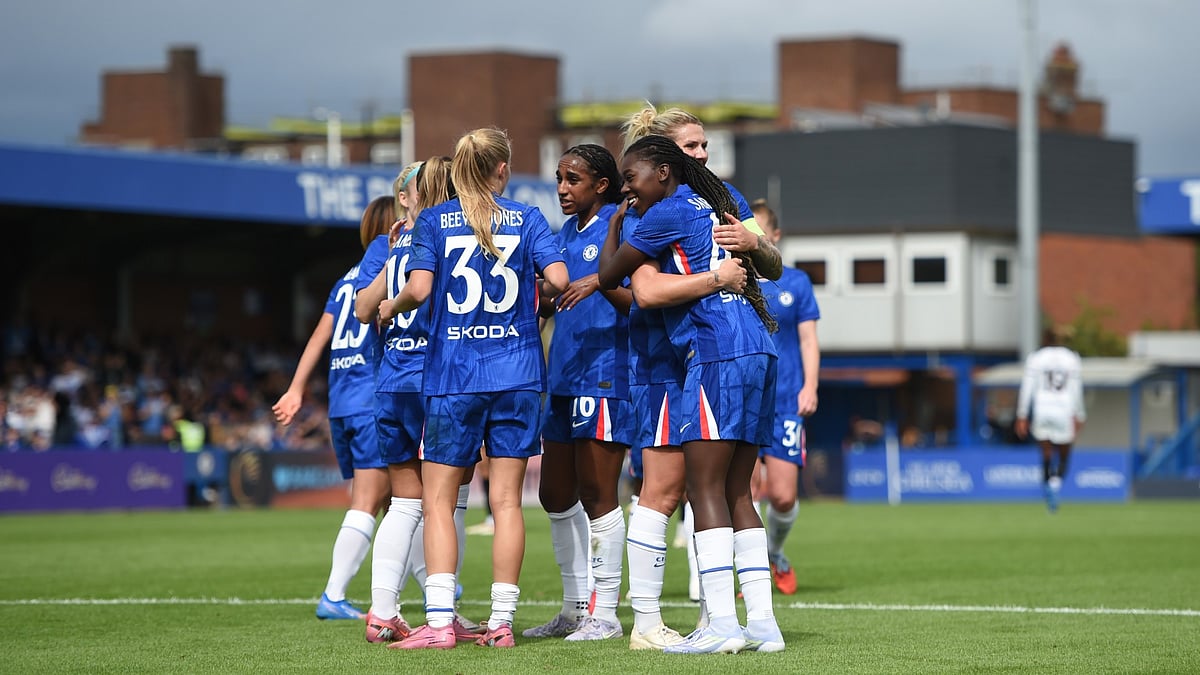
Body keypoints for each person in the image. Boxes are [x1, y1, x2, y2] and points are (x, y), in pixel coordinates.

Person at [599, 134, 784, 654]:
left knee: (703, 490)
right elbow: (770, 264)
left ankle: (722, 624)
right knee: (738, 492)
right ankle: (763, 626)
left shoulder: (664, 212)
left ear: (662, 172)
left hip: (714, 351)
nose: (627, 189)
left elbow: (614, 277)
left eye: (631, 178)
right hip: (759, 346)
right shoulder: (718, 199)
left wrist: (615, 225)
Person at [386, 127, 569, 650]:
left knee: (439, 501)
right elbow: (559, 280)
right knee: (507, 502)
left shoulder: (435, 221)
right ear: (502, 169)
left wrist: (390, 307)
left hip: (455, 375)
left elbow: (419, 289)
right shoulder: (528, 217)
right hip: (518, 374)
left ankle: (440, 623)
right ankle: (502, 624)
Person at [524, 144, 632, 642]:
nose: (562, 189)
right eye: (559, 179)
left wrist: (597, 281)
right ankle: (572, 609)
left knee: (598, 494)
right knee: (553, 494)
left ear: (602, 185)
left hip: (605, 374)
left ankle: (604, 613)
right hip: (563, 377)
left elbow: (639, 293)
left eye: (573, 180)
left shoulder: (621, 226)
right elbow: (552, 297)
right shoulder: (565, 232)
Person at [271, 194, 392, 621]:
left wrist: (296, 389)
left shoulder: (344, 280)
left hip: (342, 403)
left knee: (396, 498)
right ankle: (334, 594)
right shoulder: (390, 270)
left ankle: (428, 575)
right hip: (372, 399)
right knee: (372, 499)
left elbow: (319, 337)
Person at [749, 199, 820, 596]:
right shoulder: (733, 277)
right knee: (746, 490)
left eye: (762, 232)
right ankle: (752, 571)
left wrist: (810, 386)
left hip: (786, 399)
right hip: (744, 397)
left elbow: (809, 339)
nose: (756, 238)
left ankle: (774, 552)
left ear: (775, 236)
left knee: (783, 494)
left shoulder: (796, 282)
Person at [1015, 326, 1085, 513]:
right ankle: (1055, 484)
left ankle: (1048, 489)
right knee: (1064, 454)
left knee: (1046, 454)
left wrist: (1022, 415)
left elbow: (1027, 387)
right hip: (1064, 409)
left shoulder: (1036, 358)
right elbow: (1076, 389)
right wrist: (1080, 414)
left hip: (1042, 408)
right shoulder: (1072, 358)